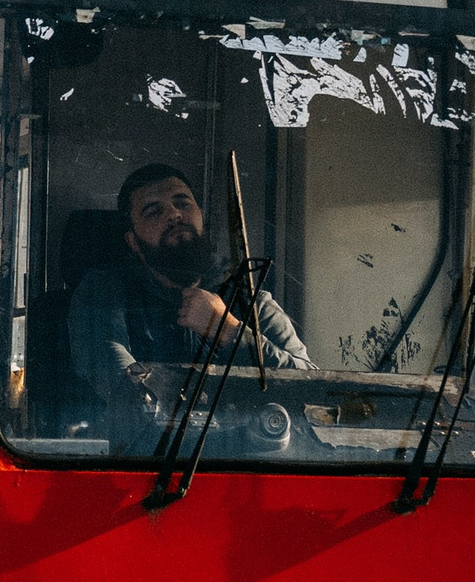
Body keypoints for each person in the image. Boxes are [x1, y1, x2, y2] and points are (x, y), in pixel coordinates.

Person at [68, 162, 307, 431]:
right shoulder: (105, 292)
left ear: (201, 216)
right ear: (133, 241)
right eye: (153, 211)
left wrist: (229, 330)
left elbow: (311, 387)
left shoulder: (249, 299)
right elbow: (119, 377)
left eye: (183, 203)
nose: (174, 214)